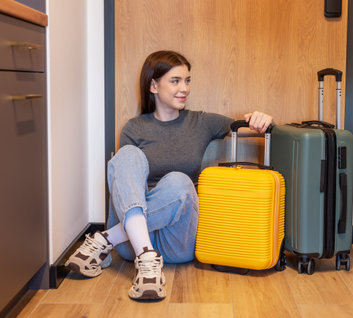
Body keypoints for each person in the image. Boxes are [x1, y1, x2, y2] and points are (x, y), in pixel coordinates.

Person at [65, 50, 273, 300]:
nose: (184, 88)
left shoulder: (201, 122)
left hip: (177, 240)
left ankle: (107, 238)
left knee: (179, 181)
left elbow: (252, 130)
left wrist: (260, 120)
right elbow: (125, 183)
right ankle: (146, 257)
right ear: (153, 85)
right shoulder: (134, 128)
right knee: (126, 155)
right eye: (175, 81)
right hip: (133, 242)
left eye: (187, 80)